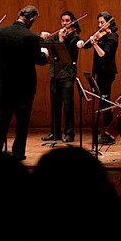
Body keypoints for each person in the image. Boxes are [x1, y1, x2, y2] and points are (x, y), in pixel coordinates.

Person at [0, 5, 49, 161]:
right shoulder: (31, 37)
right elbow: (39, 60)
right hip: (24, 86)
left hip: (3, 84)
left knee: (1, 120)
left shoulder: (0, 32)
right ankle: (18, 152)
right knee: (22, 122)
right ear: (31, 19)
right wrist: (45, 53)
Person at [77, 11, 119, 145]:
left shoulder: (112, 37)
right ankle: (106, 131)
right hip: (99, 73)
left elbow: (104, 55)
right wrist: (81, 42)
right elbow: (86, 45)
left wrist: (95, 44)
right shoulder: (99, 36)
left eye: (102, 22)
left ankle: (108, 134)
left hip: (107, 73)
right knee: (102, 102)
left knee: (105, 103)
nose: (99, 25)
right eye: (99, 22)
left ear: (109, 23)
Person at [40, 11, 81, 143]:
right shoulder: (58, 35)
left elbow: (68, 55)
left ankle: (69, 133)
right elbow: (44, 44)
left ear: (72, 22)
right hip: (55, 73)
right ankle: (55, 132)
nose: (64, 23)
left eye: (67, 21)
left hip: (68, 74)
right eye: (62, 20)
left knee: (68, 105)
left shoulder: (75, 37)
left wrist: (61, 40)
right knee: (54, 105)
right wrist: (43, 36)